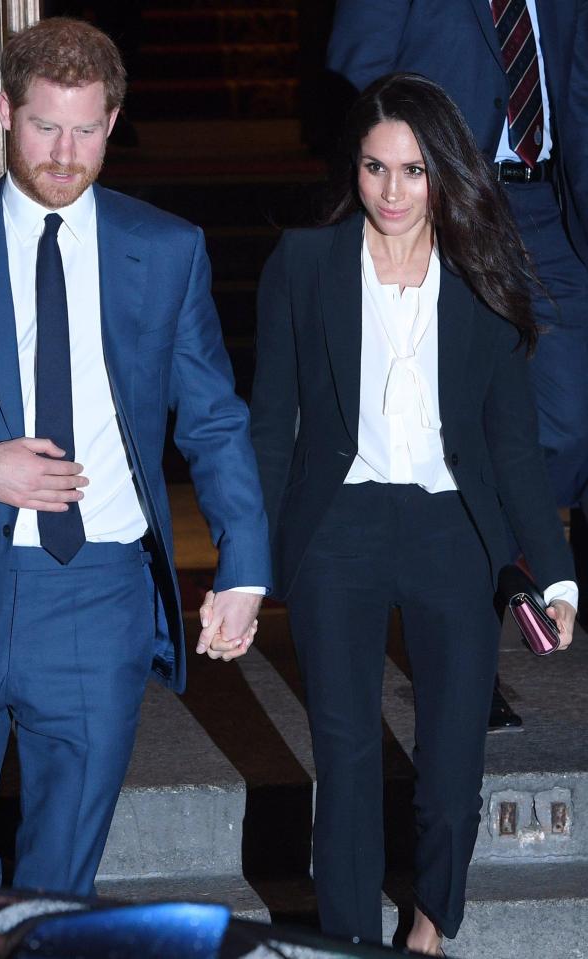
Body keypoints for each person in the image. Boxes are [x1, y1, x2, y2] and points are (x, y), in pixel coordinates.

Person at [0, 17, 270, 896]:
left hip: (95, 592)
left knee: (58, 884)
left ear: (112, 120)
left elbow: (215, 420)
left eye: (85, 128)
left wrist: (244, 565)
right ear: (3, 111)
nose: (65, 154)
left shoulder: (166, 248)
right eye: (44, 126)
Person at [249, 73, 576, 954]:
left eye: (413, 171)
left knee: (451, 764)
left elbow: (511, 443)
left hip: (449, 533)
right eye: (373, 168)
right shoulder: (305, 265)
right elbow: (270, 422)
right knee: (346, 756)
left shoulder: (478, 276)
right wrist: (255, 554)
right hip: (337, 532)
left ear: (445, 173)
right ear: (351, 168)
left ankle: (430, 922)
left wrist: (555, 571)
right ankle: (350, 937)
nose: (391, 192)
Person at [326, 0, 588, 729]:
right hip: (440, 208)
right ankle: (462, 655)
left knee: (565, 428)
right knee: (439, 439)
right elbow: (359, 74)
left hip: (548, 208)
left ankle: (502, 568)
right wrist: (400, 196)